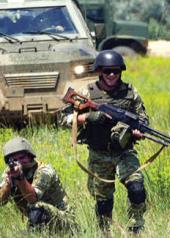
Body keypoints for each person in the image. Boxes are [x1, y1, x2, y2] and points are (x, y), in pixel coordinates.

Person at [58, 50, 148, 234]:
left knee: (137, 189)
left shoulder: (130, 93)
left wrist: (139, 130)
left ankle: (135, 228)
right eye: (107, 71)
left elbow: (143, 119)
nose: (112, 75)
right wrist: (89, 117)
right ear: (99, 71)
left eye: (116, 71)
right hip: (99, 154)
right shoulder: (86, 93)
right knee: (103, 202)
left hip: (124, 152)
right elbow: (62, 119)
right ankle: (104, 232)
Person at [0, 137, 76, 232]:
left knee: (37, 207)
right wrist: (8, 183)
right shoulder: (10, 172)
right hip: (42, 220)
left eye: (22, 157)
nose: (18, 162)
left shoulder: (45, 171)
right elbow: (1, 201)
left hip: (66, 221)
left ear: (30, 156)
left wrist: (20, 177)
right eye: (14, 160)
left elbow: (32, 199)